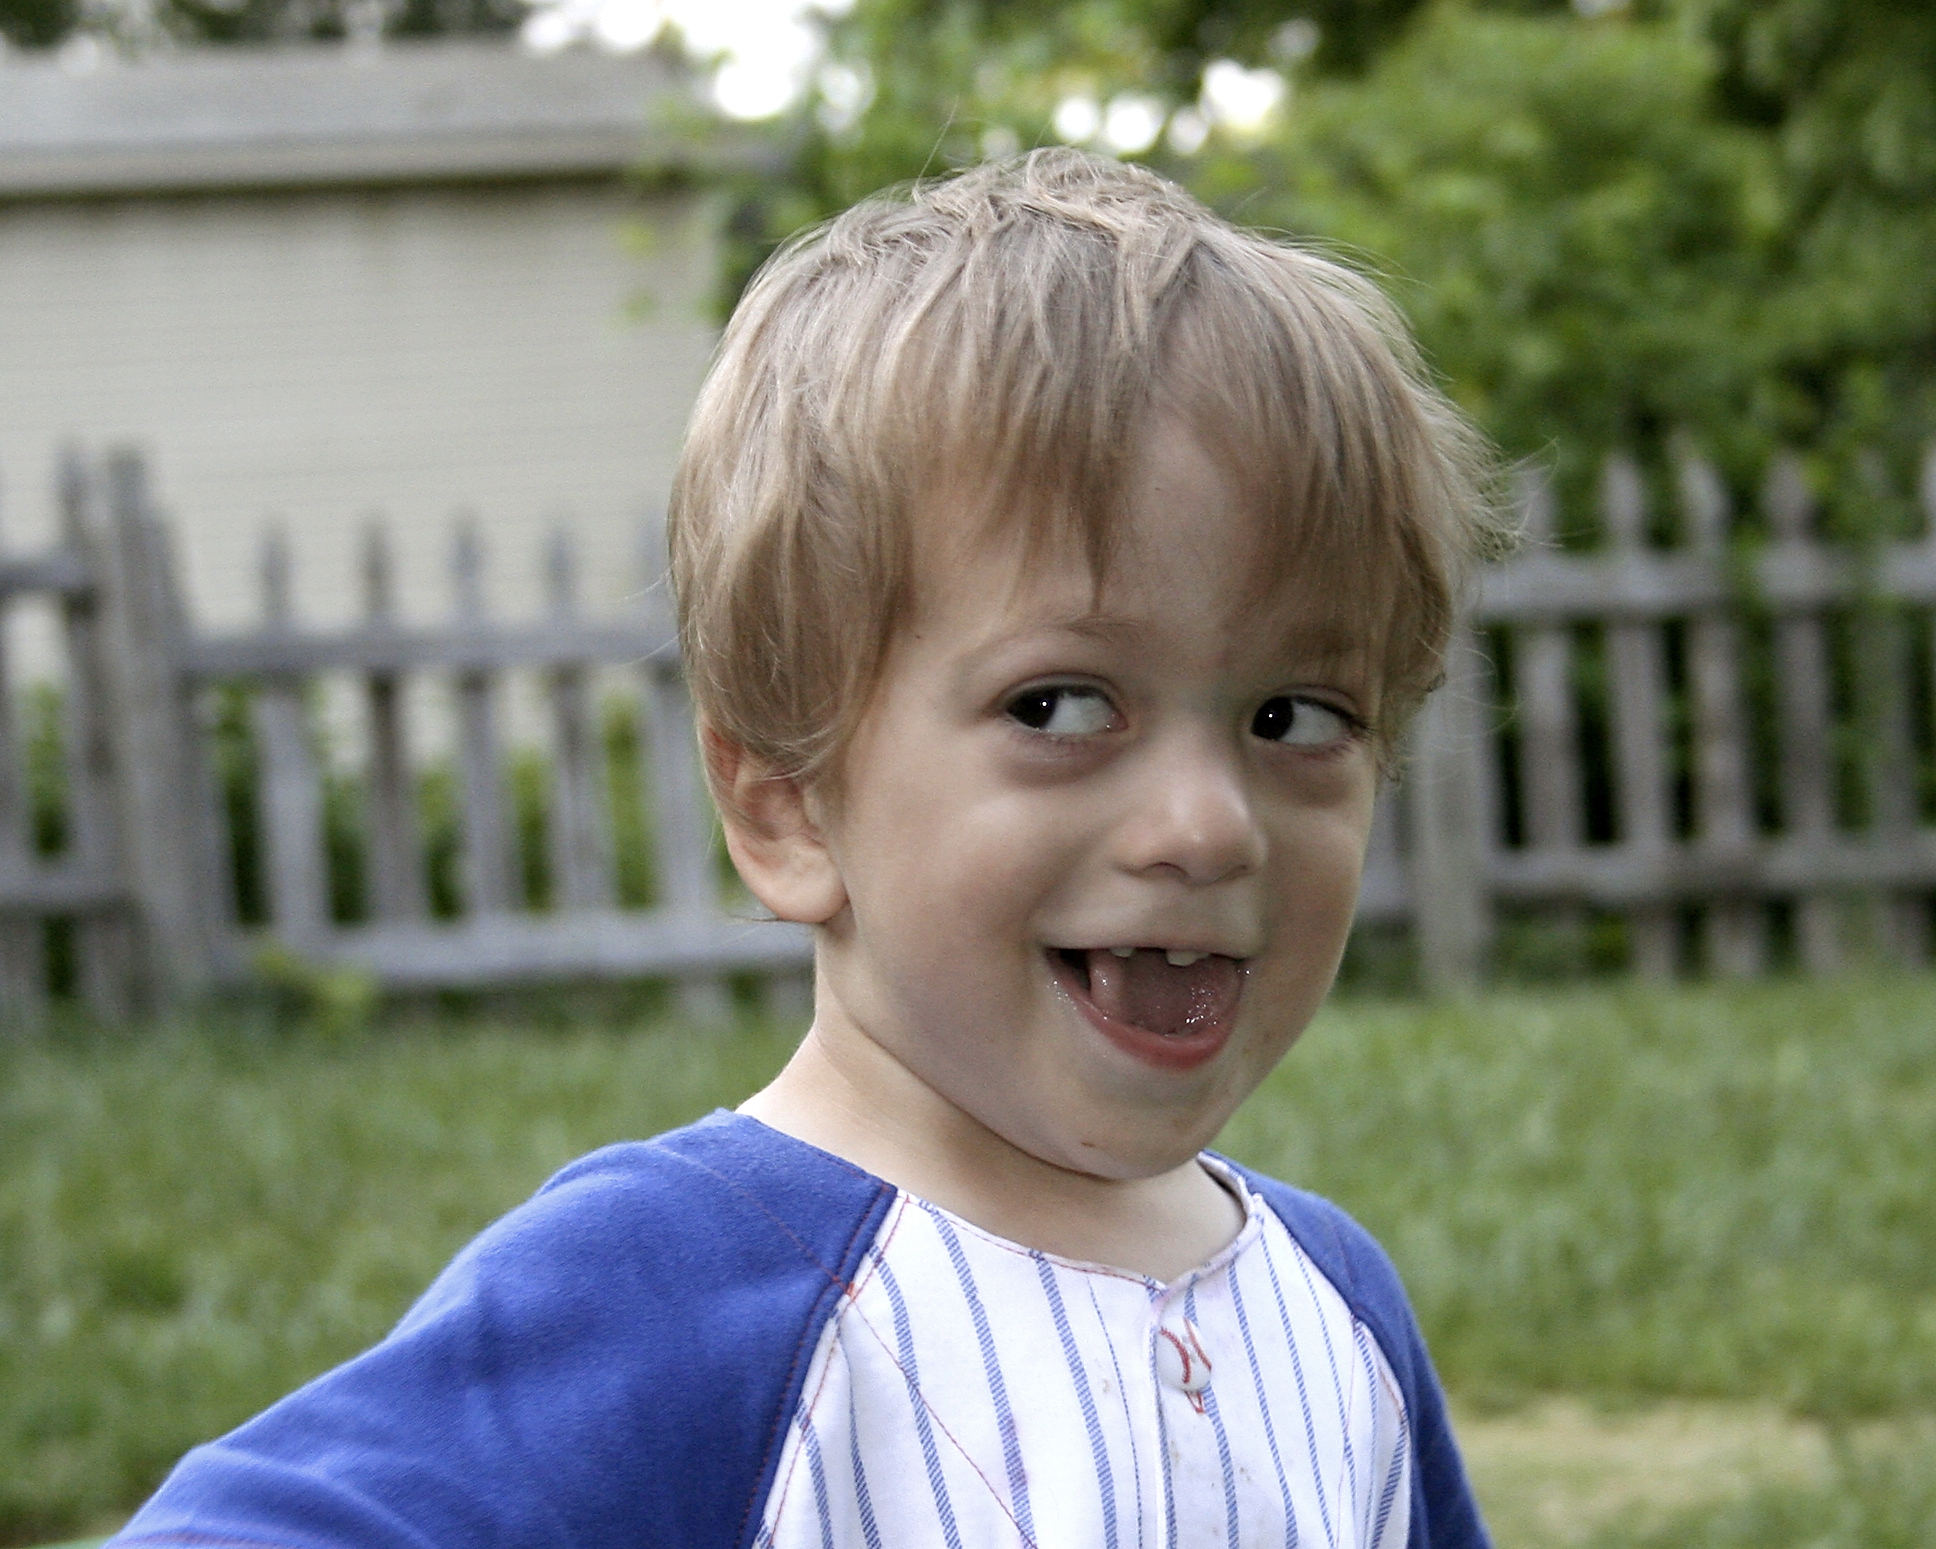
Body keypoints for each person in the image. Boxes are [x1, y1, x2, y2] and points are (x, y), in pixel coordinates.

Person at [111, 149, 1501, 1549]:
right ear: (786, 805)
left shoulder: (1337, 1307)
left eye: (1295, 715)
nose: (1208, 824)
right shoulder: (670, 1289)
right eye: (1062, 706)